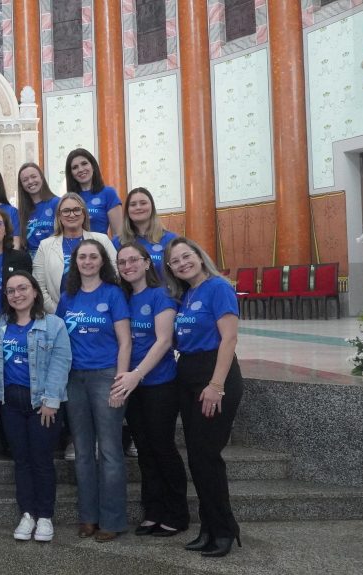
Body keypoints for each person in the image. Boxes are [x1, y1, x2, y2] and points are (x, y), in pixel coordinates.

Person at [165, 237, 244, 558]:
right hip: (189, 373)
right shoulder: (186, 295)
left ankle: (225, 529)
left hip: (214, 373)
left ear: (200, 256)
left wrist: (216, 385)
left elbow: (230, 338)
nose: (183, 263)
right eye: (176, 261)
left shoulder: (218, 287)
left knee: (208, 456)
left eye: (188, 256)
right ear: (170, 268)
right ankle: (209, 526)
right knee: (197, 458)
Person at [57, 239, 131, 542]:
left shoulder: (113, 294)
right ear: (75, 262)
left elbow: (125, 340)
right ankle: (88, 516)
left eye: (93, 256)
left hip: (106, 376)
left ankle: (112, 519)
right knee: (83, 452)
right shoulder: (67, 297)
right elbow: (60, 340)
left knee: (111, 450)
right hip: (74, 379)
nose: (87, 261)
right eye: (82, 257)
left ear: (102, 262)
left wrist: (121, 379)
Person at [114, 242, 188, 538]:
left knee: (163, 447)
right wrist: (127, 378)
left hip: (159, 383)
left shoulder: (161, 295)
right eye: (122, 262)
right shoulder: (123, 297)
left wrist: (137, 375)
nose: (128, 266)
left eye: (134, 260)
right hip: (133, 386)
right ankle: (153, 510)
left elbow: (163, 341)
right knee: (144, 450)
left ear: (147, 263)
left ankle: (177, 512)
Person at [0, 271, 71, 542]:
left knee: (42, 461)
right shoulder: (0, 324)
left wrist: (51, 401)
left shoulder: (54, 324)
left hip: (42, 404)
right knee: (21, 461)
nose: (17, 294)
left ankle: (45, 516)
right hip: (10, 403)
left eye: (23, 288)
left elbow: (61, 363)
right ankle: (27, 514)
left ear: (35, 291)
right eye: (11, 291)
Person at [32, 192, 117, 314]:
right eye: (66, 211)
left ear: (84, 214)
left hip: (99, 313)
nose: (71, 215)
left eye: (77, 210)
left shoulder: (102, 240)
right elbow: (39, 286)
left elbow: (115, 275)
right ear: (59, 216)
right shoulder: (45, 246)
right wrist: (59, 313)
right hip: (59, 315)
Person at [114, 187, 177, 280]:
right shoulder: (117, 241)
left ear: (152, 207)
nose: (138, 207)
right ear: (127, 210)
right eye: (133, 204)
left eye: (143, 203)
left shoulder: (170, 240)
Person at [65, 148, 123, 238]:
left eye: (84, 164)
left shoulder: (108, 193)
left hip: (100, 249)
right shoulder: (68, 199)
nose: (80, 169)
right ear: (71, 173)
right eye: (75, 167)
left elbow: (119, 234)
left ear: (93, 166)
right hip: (74, 250)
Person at [16, 163, 61, 258]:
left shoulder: (57, 203)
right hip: (30, 262)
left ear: (41, 178)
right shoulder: (21, 212)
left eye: (33, 176)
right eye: (25, 180)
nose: (30, 181)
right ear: (22, 185)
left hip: (54, 256)